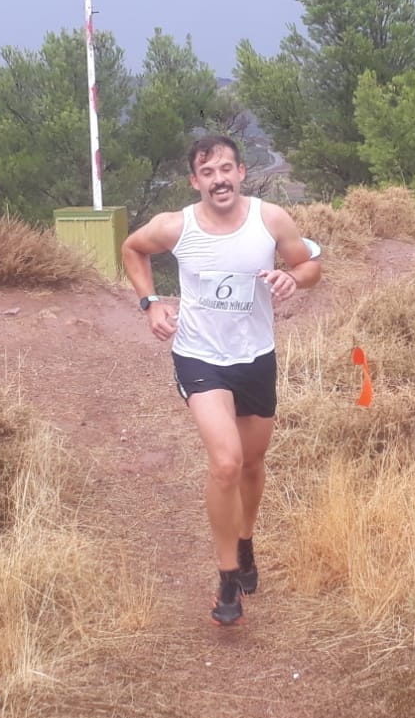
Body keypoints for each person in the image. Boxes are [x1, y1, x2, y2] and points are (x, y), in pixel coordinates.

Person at [121, 134, 320, 625]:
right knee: (226, 464)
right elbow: (132, 249)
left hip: (255, 358)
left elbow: (310, 264)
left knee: (252, 464)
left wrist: (293, 279)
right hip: (199, 356)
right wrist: (151, 303)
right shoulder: (175, 226)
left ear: (241, 173)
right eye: (207, 173)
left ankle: (246, 539)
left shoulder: (270, 219)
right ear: (195, 181)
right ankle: (228, 576)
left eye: (226, 169)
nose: (219, 179)